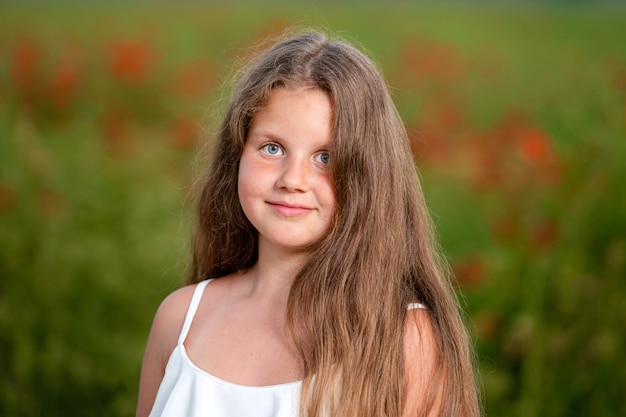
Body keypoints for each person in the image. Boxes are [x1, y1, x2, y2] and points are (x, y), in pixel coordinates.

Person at [136, 29, 480, 417]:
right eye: (272, 148)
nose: (292, 179)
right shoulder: (180, 320)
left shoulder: (402, 340)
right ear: (237, 155)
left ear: (369, 175)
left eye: (325, 158)